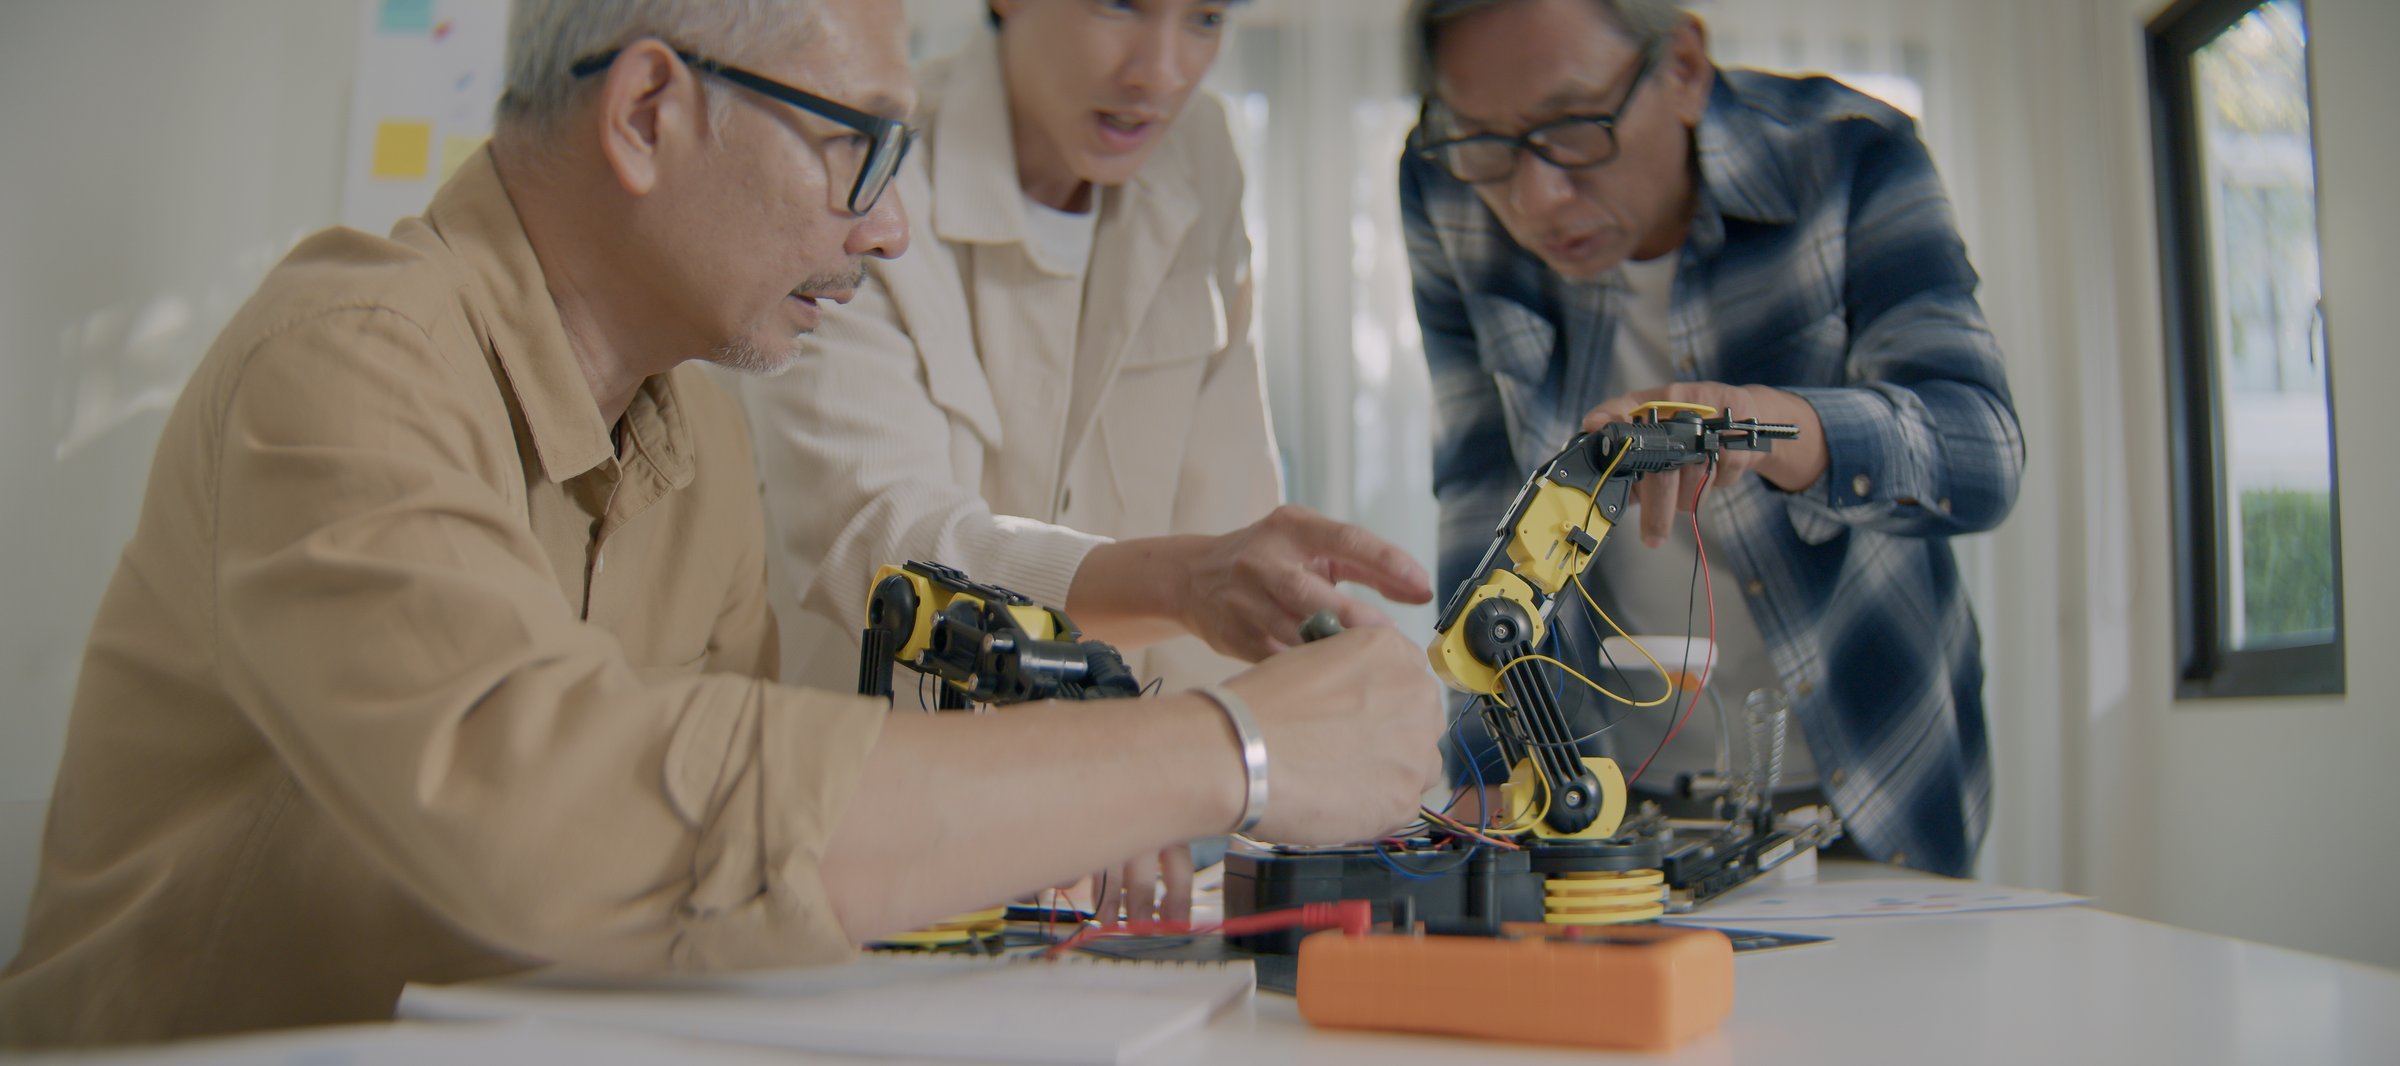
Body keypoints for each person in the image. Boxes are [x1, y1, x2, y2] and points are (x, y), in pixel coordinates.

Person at [0, 0, 1444, 1047]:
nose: (887, 230)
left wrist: (1072, 809)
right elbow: (555, 801)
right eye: (859, 151)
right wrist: (1229, 752)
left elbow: (729, 861)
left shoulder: (689, 434)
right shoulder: (349, 351)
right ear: (646, 112)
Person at [736, 0, 1432, 918]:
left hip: (1121, 856)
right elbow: (880, 542)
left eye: (1207, 18)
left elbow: (1224, 509)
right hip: (872, 840)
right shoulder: (864, 160)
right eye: (1119, 5)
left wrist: (1285, 779)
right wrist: (1182, 601)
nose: (1162, 70)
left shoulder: (1199, 157)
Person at [1402, 0, 2023, 877]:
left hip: (1878, 771)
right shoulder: (1444, 187)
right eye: (1485, 142)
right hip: (1610, 788)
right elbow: (1481, 491)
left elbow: (1982, 452)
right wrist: (1493, 760)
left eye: (1572, 127)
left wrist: (1771, 429)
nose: (1533, 196)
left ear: (1684, 68)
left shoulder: (1851, 155)